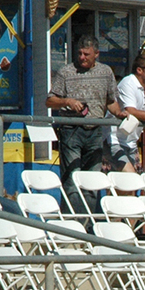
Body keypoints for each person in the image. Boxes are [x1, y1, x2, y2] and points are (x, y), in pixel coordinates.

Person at [46, 35, 128, 213]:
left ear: (96, 54)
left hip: (95, 131)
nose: (82, 57)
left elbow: (110, 101)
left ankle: (86, 224)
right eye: (79, 53)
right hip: (71, 131)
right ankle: (72, 226)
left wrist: (119, 113)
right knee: (72, 180)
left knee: (91, 181)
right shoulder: (66, 72)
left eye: (86, 54)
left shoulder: (106, 72)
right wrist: (67, 101)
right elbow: (50, 101)